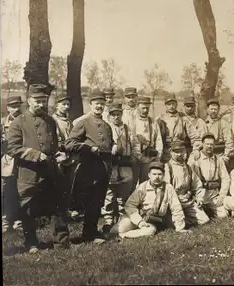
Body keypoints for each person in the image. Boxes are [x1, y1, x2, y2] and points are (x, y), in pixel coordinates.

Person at [7, 84, 70, 253]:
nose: (41, 104)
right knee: (28, 209)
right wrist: (34, 154)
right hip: (29, 173)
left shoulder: (50, 121)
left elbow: (55, 145)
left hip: (50, 170)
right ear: (29, 101)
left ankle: (61, 243)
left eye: (44, 100)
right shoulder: (18, 122)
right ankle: (31, 243)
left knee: (57, 206)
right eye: (37, 101)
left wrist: (59, 155)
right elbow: (12, 147)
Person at [65, 89, 114, 244]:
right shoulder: (83, 123)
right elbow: (69, 143)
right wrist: (88, 148)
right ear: (90, 104)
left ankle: (90, 233)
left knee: (97, 201)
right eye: (96, 103)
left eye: (102, 103)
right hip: (87, 168)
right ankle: (74, 235)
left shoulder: (107, 126)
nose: (99, 106)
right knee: (85, 201)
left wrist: (114, 146)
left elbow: (108, 144)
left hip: (103, 169)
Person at [118, 161, 190, 239]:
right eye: (154, 174)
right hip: (141, 217)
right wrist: (139, 221)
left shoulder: (168, 188)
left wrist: (180, 228)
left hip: (156, 220)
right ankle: (118, 232)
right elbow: (130, 205)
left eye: (159, 174)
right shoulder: (143, 186)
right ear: (149, 175)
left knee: (150, 231)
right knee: (122, 226)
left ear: (163, 175)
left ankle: (124, 235)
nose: (157, 177)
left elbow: (176, 208)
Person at [101, 103, 138, 233]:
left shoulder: (127, 129)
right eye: (113, 114)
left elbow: (135, 144)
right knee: (109, 193)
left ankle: (123, 218)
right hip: (111, 164)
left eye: (118, 114)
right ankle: (108, 220)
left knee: (125, 192)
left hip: (125, 164)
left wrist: (134, 156)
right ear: (109, 115)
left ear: (122, 114)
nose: (116, 117)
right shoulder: (106, 127)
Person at [163, 140, 210, 227]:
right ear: (171, 152)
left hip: (187, 200)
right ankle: (173, 220)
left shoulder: (188, 167)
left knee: (204, 220)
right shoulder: (167, 167)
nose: (179, 154)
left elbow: (197, 185)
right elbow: (166, 190)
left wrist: (200, 198)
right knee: (172, 223)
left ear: (185, 151)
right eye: (176, 152)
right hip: (174, 201)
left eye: (181, 151)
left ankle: (181, 220)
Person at [188, 133, 231, 219]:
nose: (209, 146)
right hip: (200, 195)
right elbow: (188, 175)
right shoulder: (195, 158)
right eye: (207, 144)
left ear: (214, 145)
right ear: (202, 144)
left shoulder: (218, 160)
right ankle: (203, 211)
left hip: (213, 194)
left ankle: (210, 209)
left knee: (223, 215)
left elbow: (226, 179)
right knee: (202, 218)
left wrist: (221, 196)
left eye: (211, 144)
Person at [51, 94, 79, 220]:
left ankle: (67, 210)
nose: (66, 107)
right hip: (60, 156)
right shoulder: (53, 121)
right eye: (63, 104)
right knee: (59, 184)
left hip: (71, 156)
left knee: (69, 185)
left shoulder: (69, 121)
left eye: (68, 104)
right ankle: (58, 212)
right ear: (56, 105)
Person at [130, 96, 163, 187]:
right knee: (132, 183)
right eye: (143, 108)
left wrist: (157, 157)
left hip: (149, 158)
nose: (145, 110)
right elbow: (129, 140)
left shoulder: (153, 122)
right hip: (134, 158)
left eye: (147, 108)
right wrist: (136, 155)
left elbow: (159, 140)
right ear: (137, 107)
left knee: (145, 184)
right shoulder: (131, 121)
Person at [1, 95, 23, 233]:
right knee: (6, 190)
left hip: (22, 159)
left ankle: (19, 220)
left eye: (18, 106)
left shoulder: (24, 120)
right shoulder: (3, 123)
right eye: (13, 106)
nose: (15, 109)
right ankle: (5, 220)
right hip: (7, 160)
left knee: (21, 190)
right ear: (8, 107)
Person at [156, 93, 188, 163]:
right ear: (165, 105)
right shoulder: (160, 119)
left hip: (180, 150)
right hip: (166, 150)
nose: (171, 106)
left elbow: (192, 134)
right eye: (169, 104)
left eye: (173, 104)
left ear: (176, 104)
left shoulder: (183, 118)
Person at [204, 98, 234, 166]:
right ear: (207, 110)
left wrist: (226, 156)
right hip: (206, 155)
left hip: (220, 154)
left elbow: (229, 141)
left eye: (215, 109)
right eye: (211, 109)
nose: (213, 111)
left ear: (218, 110)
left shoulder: (224, 123)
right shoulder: (203, 123)